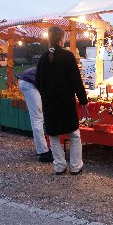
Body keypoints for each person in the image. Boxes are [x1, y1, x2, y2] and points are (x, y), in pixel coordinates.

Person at [36, 26, 88, 175]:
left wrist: (46, 94)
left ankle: (59, 166)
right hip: (66, 102)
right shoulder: (67, 56)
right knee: (74, 134)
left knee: (53, 134)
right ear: (61, 38)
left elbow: (38, 82)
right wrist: (83, 99)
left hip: (49, 103)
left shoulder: (42, 59)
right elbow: (76, 81)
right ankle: (76, 166)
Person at [19, 67, 53, 162]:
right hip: (29, 83)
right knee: (37, 118)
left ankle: (43, 148)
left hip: (28, 82)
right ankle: (43, 152)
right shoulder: (56, 70)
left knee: (37, 117)